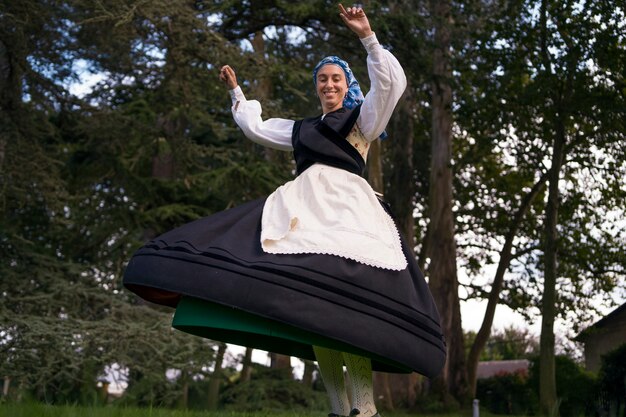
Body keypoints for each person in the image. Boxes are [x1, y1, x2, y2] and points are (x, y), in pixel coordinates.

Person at [124, 4, 445, 417]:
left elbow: (388, 87)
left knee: (350, 313)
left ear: (347, 86)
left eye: (336, 79)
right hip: (303, 215)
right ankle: (337, 408)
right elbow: (257, 128)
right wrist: (237, 93)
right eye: (323, 80)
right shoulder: (301, 129)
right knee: (317, 316)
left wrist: (367, 36)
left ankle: (364, 410)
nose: (329, 85)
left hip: (348, 217)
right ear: (316, 87)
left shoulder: (361, 121)